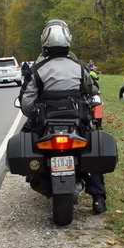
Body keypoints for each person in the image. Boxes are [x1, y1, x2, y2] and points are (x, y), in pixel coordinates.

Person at [20, 19, 107, 214]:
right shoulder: (79, 66)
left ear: (44, 42)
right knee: (92, 146)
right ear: (68, 40)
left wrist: (34, 113)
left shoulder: (36, 70)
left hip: (46, 122)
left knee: (27, 134)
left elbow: (26, 104)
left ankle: (33, 172)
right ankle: (98, 198)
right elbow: (90, 88)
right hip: (77, 119)